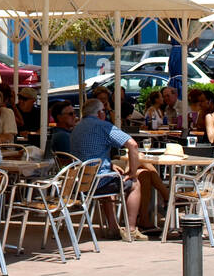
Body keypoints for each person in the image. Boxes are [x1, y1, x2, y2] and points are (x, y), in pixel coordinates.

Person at [70, 99, 164, 240]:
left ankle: (113, 228)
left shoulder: (76, 128)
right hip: (99, 182)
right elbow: (132, 145)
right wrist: (132, 172)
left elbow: (89, 154)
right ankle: (131, 229)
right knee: (134, 184)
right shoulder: (103, 126)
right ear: (100, 113)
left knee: (110, 179)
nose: (106, 114)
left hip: (81, 182)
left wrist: (110, 165)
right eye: (105, 111)